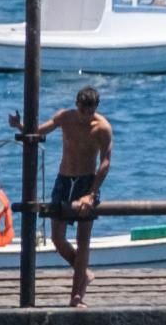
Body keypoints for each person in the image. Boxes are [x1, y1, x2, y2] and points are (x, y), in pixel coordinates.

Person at [9, 86, 113, 308]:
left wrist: (91, 193)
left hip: (86, 182)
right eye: (83, 109)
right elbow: (38, 131)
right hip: (64, 180)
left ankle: (77, 297)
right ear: (77, 105)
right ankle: (83, 272)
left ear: (96, 107)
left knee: (83, 240)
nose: (87, 115)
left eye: (91, 110)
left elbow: (105, 162)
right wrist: (19, 125)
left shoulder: (102, 127)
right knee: (57, 238)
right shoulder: (65, 117)